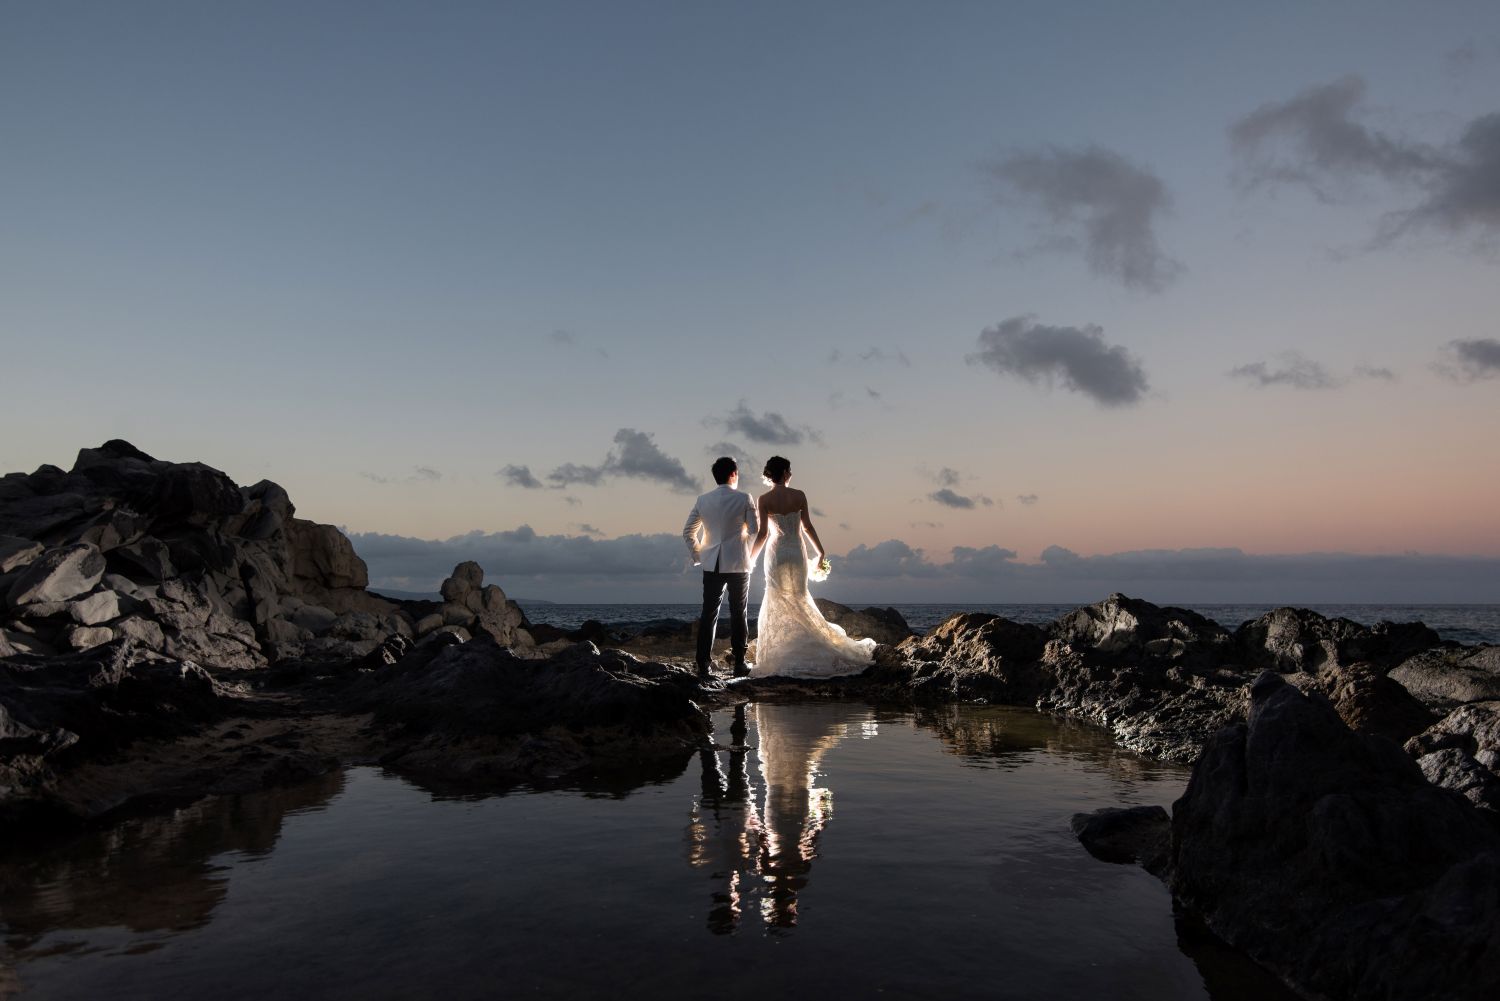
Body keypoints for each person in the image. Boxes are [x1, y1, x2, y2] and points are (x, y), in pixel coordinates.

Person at [748, 456, 875, 678]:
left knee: (777, 597)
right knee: (799, 596)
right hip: (797, 552)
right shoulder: (799, 496)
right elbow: (807, 527)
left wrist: (751, 558)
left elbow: (763, 534)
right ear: (786, 473)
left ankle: (783, 652)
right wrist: (820, 551)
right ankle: (806, 643)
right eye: (790, 470)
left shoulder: (764, 499)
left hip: (776, 554)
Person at [682, 456, 759, 679]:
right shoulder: (745, 498)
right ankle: (739, 663)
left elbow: (688, 532)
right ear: (733, 474)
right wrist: (746, 553)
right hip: (738, 563)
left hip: (711, 563)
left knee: (709, 614)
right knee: (739, 613)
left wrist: (699, 556)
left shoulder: (703, 499)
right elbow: (753, 530)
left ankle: (703, 663)